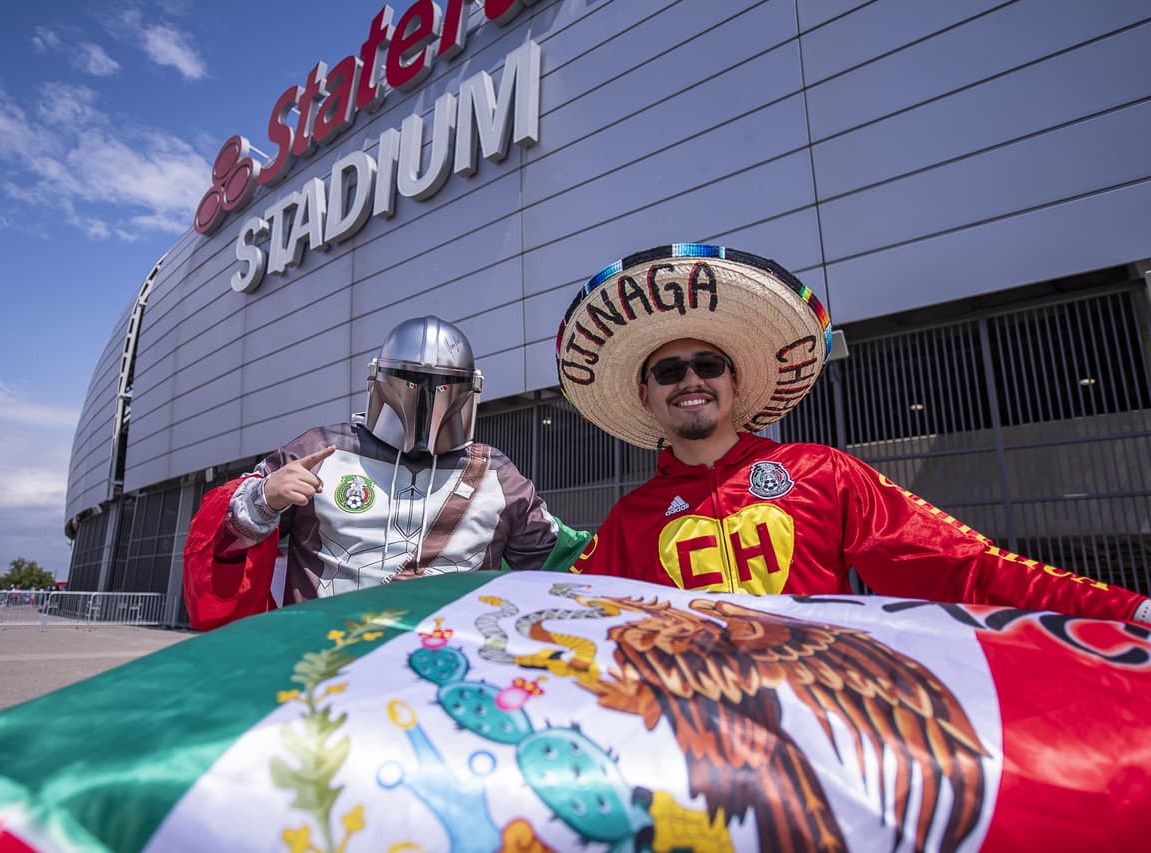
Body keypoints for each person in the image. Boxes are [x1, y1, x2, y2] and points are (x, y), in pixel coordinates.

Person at [556, 243, 1150, 624]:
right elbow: (565, 616)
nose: (690, 381)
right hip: (698, 742)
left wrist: (1128, 610)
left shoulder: (825, 473)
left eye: (708, 365)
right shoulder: (629, 522)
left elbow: (963, 567)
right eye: (668, 371)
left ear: (735, 383)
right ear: (646, 396)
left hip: (831, 724)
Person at [183, 315, 590, 630]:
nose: (428, 398)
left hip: (445, 665)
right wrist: (263, 498)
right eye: (412, 381)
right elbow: (223, 546)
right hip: (320, 660)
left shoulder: (496, 474)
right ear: (380, 379)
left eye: (445, 384)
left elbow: (562, 563)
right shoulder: (320, 451)